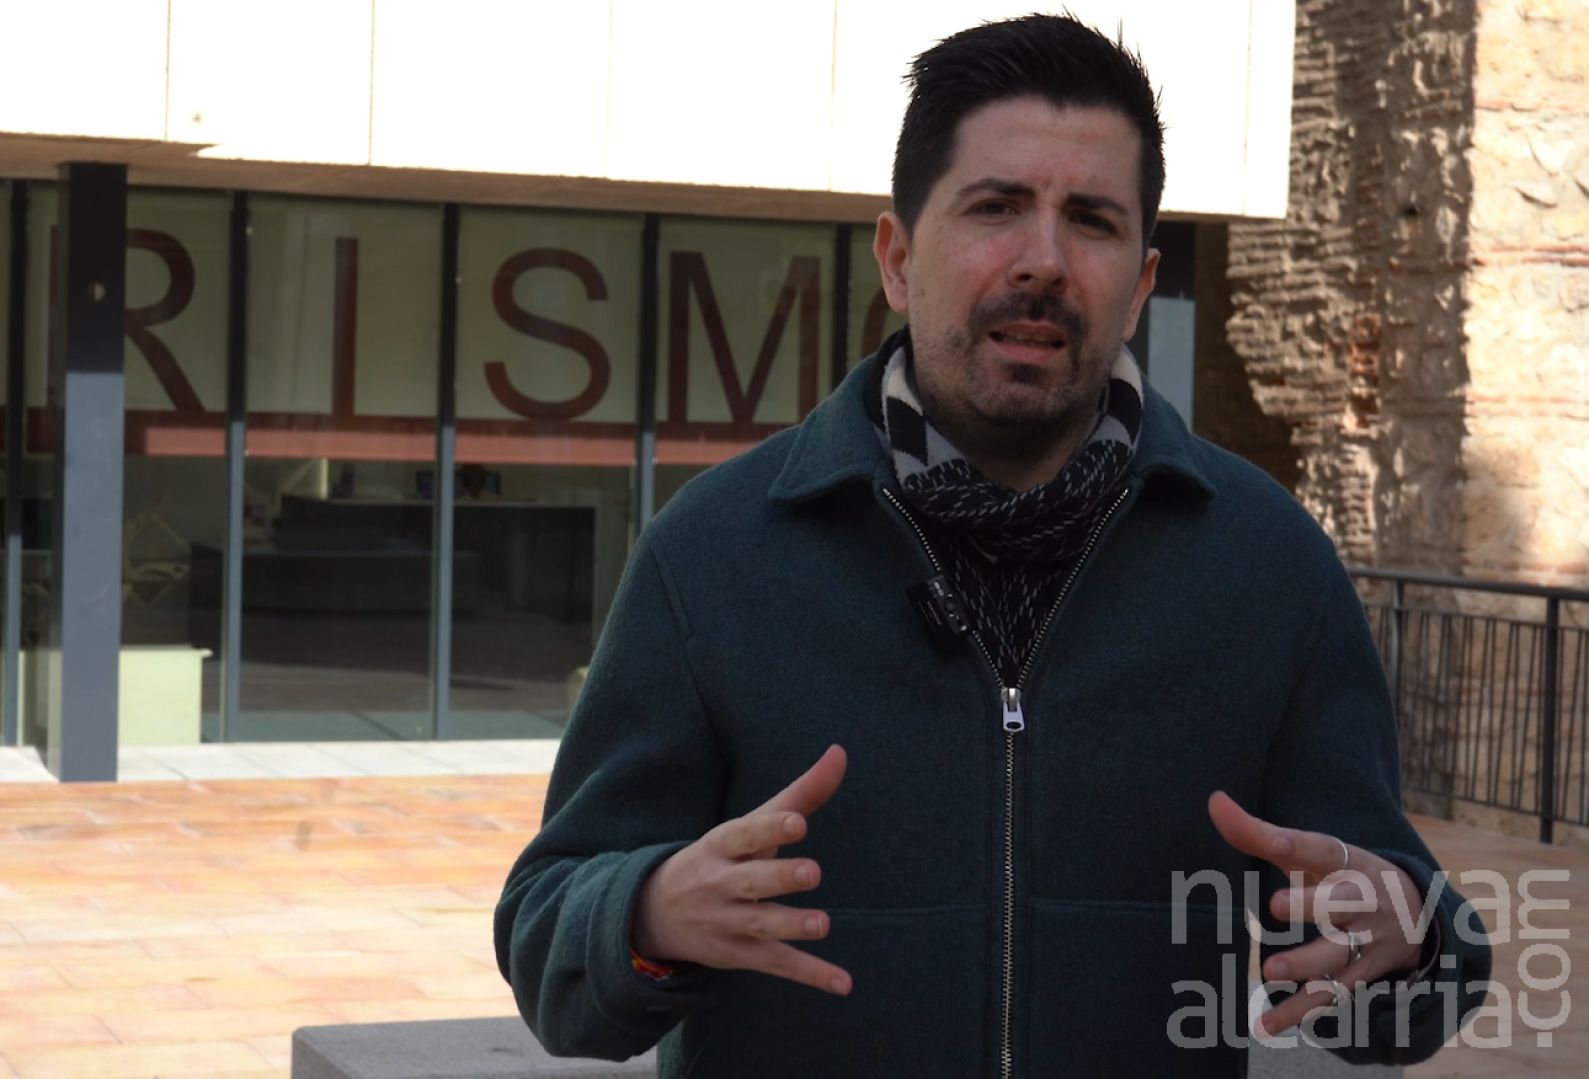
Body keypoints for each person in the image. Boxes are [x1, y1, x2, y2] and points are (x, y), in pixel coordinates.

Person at [495, 14, 1490, 1077]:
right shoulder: (714, 552)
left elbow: (1406, 966)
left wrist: (1407, 940)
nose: (1043, 261)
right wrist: (645, 910)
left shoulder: (1268, 566)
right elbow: (550, 941)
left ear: (1139, 284)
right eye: (994, 208)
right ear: (896, 258)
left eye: (1091, 221)